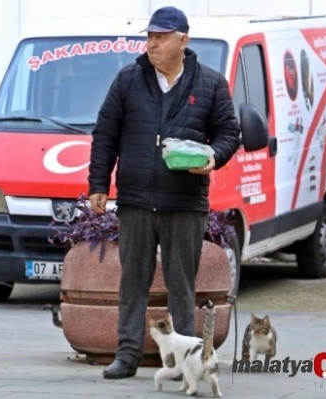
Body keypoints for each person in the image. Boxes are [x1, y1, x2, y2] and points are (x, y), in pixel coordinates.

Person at [87, 6, 241, 379]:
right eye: (149, 37)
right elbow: (105, 135)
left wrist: (213, 159)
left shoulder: (210, 83)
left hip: (184, 201)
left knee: (181, 285)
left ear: (182, 41)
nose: (152, 44)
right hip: (137, 199)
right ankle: (127, 355)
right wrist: (98, 185)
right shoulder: (127, 80)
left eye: (160, 37)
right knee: (133, 280)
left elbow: (228, 134)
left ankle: (187, 357)